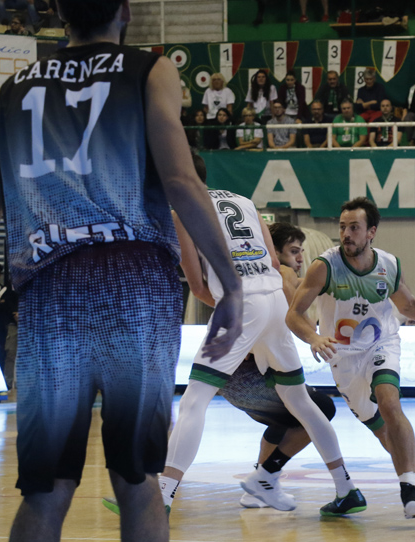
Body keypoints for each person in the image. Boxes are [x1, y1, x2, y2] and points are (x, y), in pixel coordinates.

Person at [0, 2, 244, 542]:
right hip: (136, 282)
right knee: (137, 478)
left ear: (60, 11)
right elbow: (181, 181)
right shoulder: (150, 69)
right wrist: (232, 285)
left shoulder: (12, 89)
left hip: (50, 289)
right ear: (125, 11)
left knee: (46, 489)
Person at [157, 170, 366, 517]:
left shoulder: (181, 212)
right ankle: (346, 488)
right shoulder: (246, 202)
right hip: (274, 300)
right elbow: (272, 262)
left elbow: (196, 286)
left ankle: (161, 497)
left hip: (239, 303)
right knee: (301, 403)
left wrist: (231, 307)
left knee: (194, 401)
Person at [286, 197, 415, 519]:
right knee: (383, 431)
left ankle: (408, 488)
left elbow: (408, 305)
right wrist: (314, 337)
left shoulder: (389, 265)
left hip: (380, 344)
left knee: (389, 403)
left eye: (354, 228)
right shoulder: (324, 266)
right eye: (343, 227)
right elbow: (294, 314)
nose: (346, 234)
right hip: (343, 357)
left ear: (371, 232)